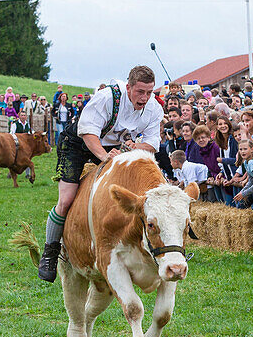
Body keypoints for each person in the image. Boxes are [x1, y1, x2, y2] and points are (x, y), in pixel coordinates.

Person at [38, 66, 163, 282]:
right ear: (129, 87)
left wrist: (135, 146)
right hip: (78, 144)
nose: (145, 98)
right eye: (140, 92)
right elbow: (88, 132)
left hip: (113, 149)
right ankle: (50, 252)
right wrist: (105, 156)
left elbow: (152, 143)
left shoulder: (153, 108)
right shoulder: (108, 97)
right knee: (66, 199)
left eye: (149, 92)